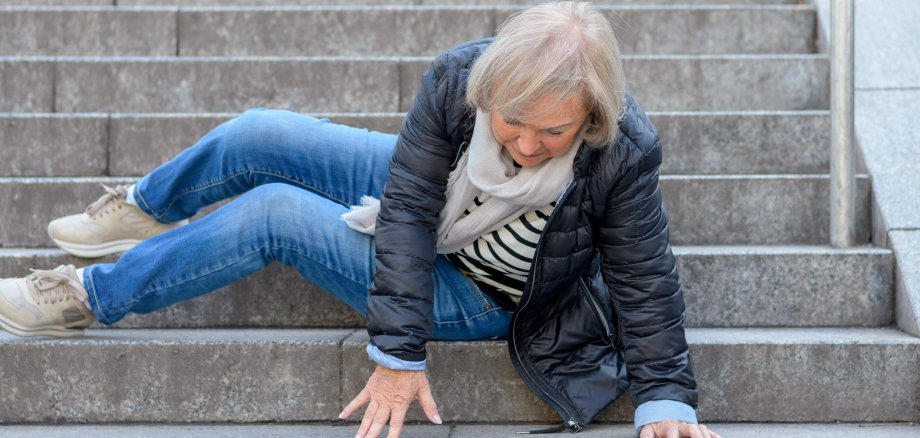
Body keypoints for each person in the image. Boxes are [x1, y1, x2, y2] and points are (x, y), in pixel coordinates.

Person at [0, 2, 719, 438]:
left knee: (273, 213)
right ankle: (146, 210)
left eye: (553, 133)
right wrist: (397, 351)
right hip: (439, 203)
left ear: (591, 115)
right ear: (487, 88)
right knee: (260, 132)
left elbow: (642, 274)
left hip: (481, 294)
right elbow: (407, 209)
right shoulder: (456, 80)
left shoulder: (621, 149)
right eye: (513, 124)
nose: (529, 145)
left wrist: (666, 394)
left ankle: (89, 295)